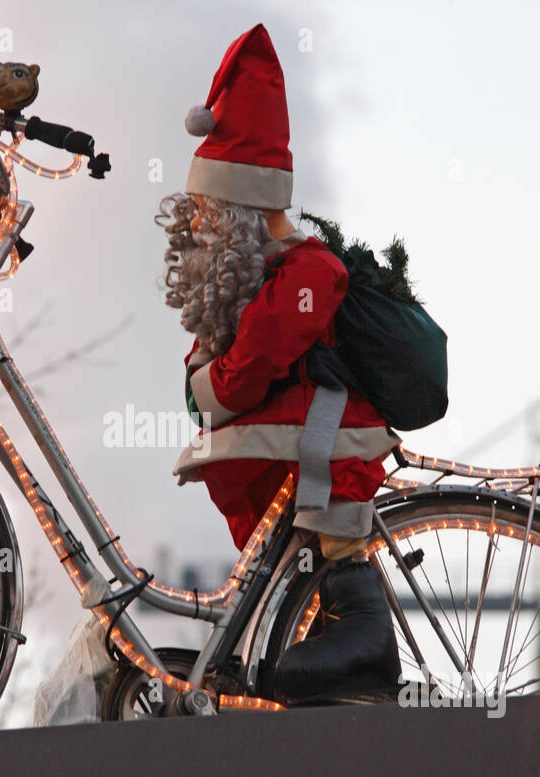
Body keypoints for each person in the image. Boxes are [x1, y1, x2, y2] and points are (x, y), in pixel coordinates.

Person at [157, 23, 402, 701]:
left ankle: (367, 636)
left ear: (241, 208)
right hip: (294, 446)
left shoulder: (306, 269)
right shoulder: (254, 279)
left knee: (335, 541)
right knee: (292, 566)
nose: (199, 226)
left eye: (209, 211)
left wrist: (215, 385)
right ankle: (328, 624)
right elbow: (223, 360)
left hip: (330, 439)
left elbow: (258, 356)